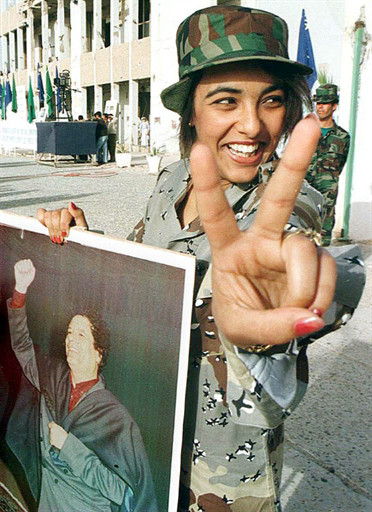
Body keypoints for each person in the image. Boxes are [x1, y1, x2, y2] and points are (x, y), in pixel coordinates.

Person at [35, 6, 364, 511]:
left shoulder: (287, 204)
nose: (252, 125)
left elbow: (316, 268)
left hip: (224, 472)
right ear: (191, 111)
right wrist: (84, 240)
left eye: (272, 101)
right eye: (225, 100)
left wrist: (305, 290)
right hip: (149, 436)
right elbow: (142, 268)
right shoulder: (174, 180)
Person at [6, 259, 158, 512]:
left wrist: (69, 447)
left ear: (99, 353)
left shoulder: (115, 417)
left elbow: (120, 492)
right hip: (46, 500)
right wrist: (20, 290)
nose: (70, 340)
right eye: (68, 333)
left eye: (80, 335)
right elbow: (22, 346)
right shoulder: (52, 376)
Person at [305, 84, 350, 246]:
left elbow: (341, 163)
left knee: (324, 230)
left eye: (325, 103)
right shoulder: (306, 131)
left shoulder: (342, 137)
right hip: (304, 186)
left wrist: (328, 178)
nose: (320, 107)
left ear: (334, 106)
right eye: (318, 103)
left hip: (327, 190)